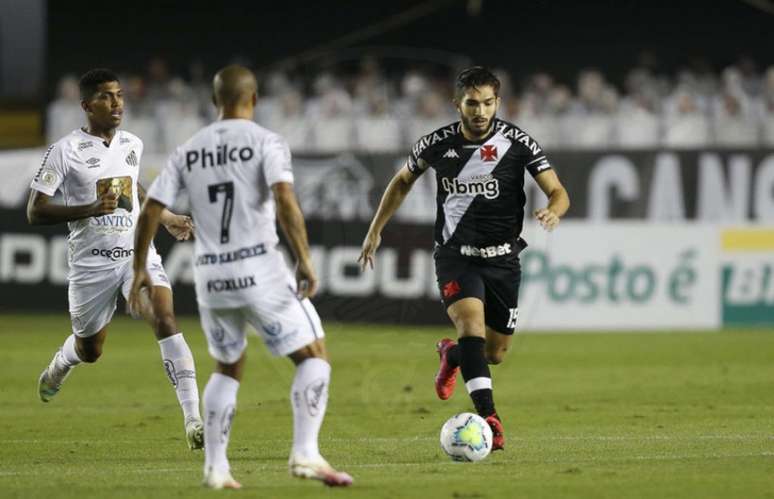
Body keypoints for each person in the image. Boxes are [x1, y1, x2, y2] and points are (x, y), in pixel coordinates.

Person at [129, 65, 353, 490]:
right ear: (254, 100)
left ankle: (216, 468)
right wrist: (304, 258)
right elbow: (285, 201)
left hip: (211, 276)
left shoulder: (187, 150)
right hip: (259, 267)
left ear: (216, 101)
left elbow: (150, 211)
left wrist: (140, 267)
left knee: (228, 367)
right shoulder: (266, 142)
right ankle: (305, 453)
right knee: (314, 356)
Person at [359, 66, 570, 451]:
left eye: (488, 103)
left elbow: (558, 190)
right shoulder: (436, 143)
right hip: (456, 256)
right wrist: (376, 229)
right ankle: (490, 417)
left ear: (498, 103)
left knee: (494, 353)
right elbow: (402, 181)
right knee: (470, 325)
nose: (480, 111)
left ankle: (451, 355)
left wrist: (554, 210)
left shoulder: (518, 142)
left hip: (503, 260)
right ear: (457, 104)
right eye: (472, 103)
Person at [28, 68, 204, 450]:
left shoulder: (131, 144)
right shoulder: (65, 151)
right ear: (87, 106)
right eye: (107, 97)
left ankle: (193, 421)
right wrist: (91, 208)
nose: (117, 103)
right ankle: (60, 366)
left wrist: (168, 217)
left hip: (135, 255)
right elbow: (35, 211)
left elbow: (133, 186)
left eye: (120, 95)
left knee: (165, 317)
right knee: (90, 351)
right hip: (91, 265)